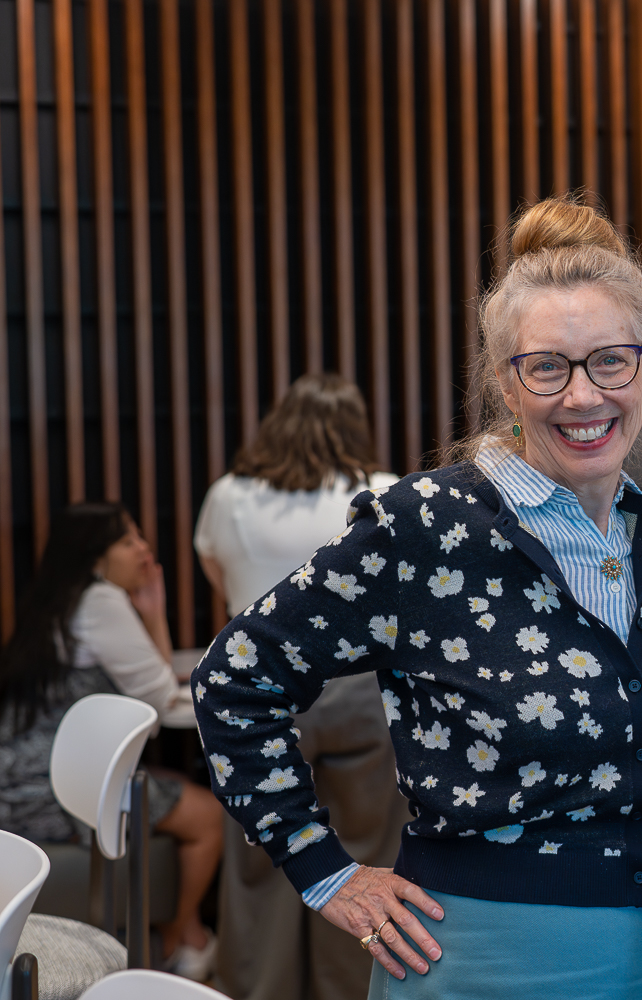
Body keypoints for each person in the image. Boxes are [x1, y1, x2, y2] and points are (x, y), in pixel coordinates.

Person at [192, 196, 642, 1000]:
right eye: (546, 367)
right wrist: (324, 871)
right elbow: (234, 677)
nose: (583, 396)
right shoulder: (426, 526)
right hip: (481, 962)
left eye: (610, 362)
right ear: (506, 383)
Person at [194, 372, 408, 1000]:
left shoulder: (227, 496)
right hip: (362, 694)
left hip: (262, 692)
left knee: (263, 853)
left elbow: (219, 579)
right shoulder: (381, 493)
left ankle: (258, 987)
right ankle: (354, 987)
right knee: (365, 849)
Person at [0, 504, 224, 980]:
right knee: (209, 817)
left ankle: (184, 941)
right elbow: (160, 697)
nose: (144, 549)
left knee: (166, 782)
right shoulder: (101, 601)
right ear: (95, 559)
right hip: (49, 791)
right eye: (127, 541)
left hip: (19, 782)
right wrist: (155, 613)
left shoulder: (56, 603)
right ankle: (179, 942)